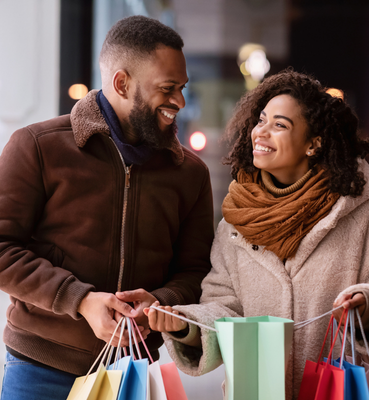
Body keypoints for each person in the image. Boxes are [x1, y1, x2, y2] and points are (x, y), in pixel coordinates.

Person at [144, 69, 369, 400]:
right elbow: (224, 304)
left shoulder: (366, 215)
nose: (260, 132)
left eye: (279, 125)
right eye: (261, 120)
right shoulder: (237, 219)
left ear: (313, 144)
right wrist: (187, 324)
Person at [0, 15, 214, 400]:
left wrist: (161, 302)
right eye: (168, 88)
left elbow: (197, 272)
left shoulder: (190, 173)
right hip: (39, 371)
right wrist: (80, 300)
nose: (179, 102)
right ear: (121, 83)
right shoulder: (37, 146)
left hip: (132, 374)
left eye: (182, 88)